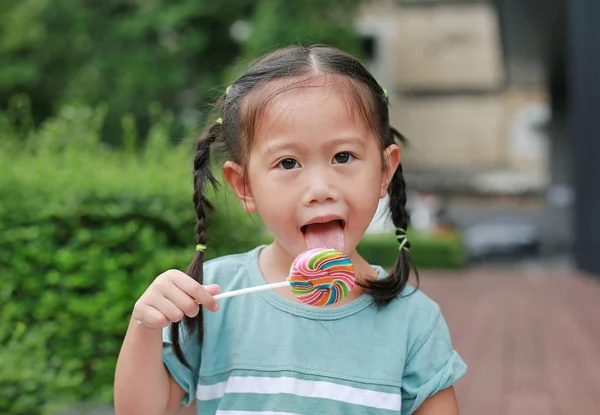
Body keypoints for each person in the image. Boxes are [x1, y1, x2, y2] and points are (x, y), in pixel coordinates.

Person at [114, 45, 467, 415]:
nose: (319, 190)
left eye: (343, 157)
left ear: (384, 171)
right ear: (245, 186)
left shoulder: (414, 322)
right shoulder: (212, 298)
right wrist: (144, 326)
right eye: (288, 162)